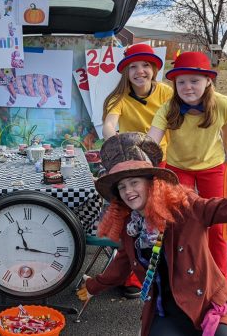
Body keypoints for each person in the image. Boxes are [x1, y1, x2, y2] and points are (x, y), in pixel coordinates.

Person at [77, 131, 227, 336]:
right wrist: (93, 286)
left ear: (153, 183)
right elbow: (122, 264)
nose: (128, 192)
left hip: (209, 306)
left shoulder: (187, 209)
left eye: (134, 182)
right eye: (122, 187)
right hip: (166, 312)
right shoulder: (131, 227)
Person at [146, 51, 227, 279]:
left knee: (216, 224)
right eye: (181, 82)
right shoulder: (168, 109)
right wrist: (140, 159)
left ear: (208, 81)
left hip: (213, 166)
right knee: (179, 222)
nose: (188, 87)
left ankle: (219, 278)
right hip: (178, 168)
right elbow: (151, 140)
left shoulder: (223, 104)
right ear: (175, 84)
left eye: (195, 81)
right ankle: (183, 276)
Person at [101, 43, 173, 298]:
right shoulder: (118, 97)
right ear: (126, 71)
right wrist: (119, 145)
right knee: (132, 219)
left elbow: (173, 122)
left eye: (145, 66)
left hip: (160, 162)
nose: (139, 71)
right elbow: (109, 125)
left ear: (154, 69)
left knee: (158, 219)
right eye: (133, 66)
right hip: (132, 163)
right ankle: (132, 275)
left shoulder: (165, 92)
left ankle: (164, 270)